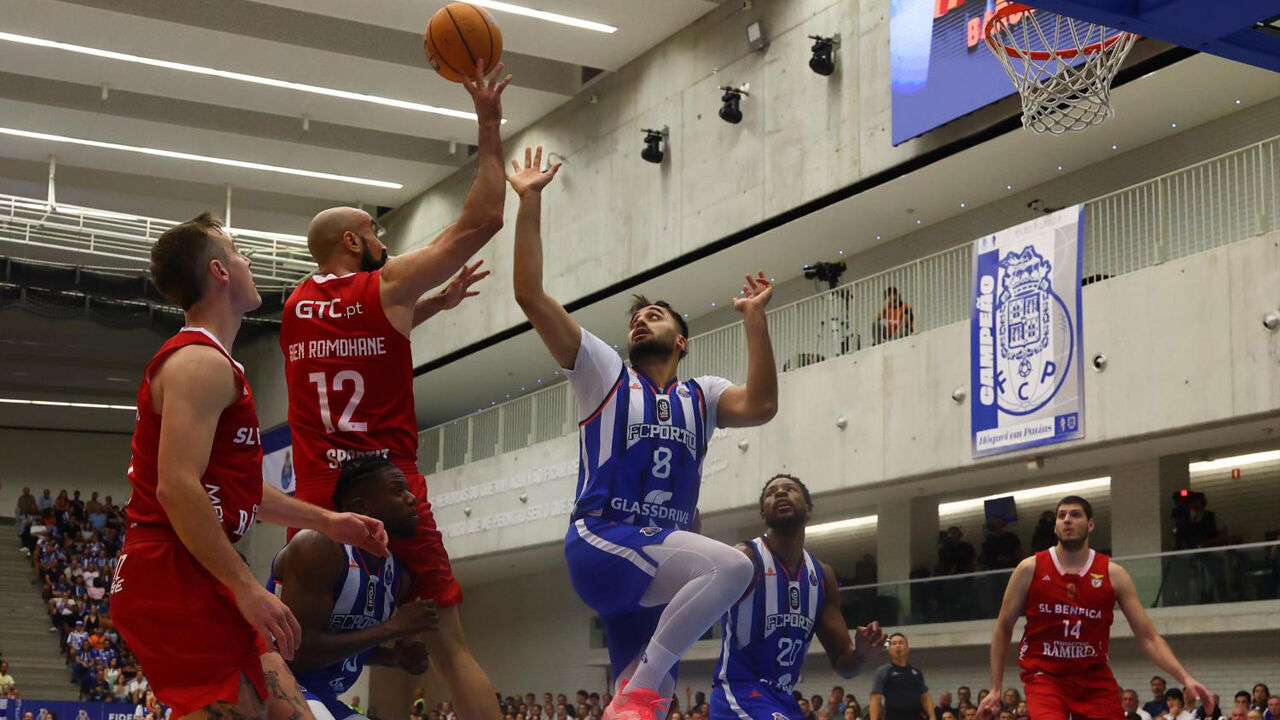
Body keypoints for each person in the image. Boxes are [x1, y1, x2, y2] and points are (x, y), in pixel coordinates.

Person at [508, 147, 778, 720]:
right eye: (636, 316)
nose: (640, 319)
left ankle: (636, 695)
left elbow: (760, 405)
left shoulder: (699, 395)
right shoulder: (603, 372)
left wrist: (755, 321)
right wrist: (529, 202)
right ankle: (641, 684)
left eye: (655, 315)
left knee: (645, 709)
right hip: (605, 543)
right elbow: (530, 295)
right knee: (733, 567)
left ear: (681, 340)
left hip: (658, 567)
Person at [280, 60, 508, 720]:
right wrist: (488, 126)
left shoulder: (294, 307)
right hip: (390, 485)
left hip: (321, 498)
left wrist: (430, 306)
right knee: (447, 643)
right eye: (376, 233)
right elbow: (483, 220)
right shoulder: (382, 287)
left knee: (289, 635)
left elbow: (357, 341)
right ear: (354, 240)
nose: (382, 242)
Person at [110, 212, 390, 720]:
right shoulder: (200, 364)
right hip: (172, 568)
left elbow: (240, 491)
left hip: (193, 565)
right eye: (238, 251)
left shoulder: (216, 363)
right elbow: (176, 488)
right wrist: (245, 586)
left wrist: (327, 520)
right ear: (219, 271)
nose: (248, 260)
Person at [980, 496, 1214, 720]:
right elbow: (1003, 627)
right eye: (1061, 515)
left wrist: (1185, 677)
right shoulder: (1029, 568)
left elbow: (1149, 637)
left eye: (1075, 514)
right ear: (1055, 527)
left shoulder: (1114, 574)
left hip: (1093, 677)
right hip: (1045, 676)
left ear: (1090, 524)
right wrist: (995, 688)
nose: (1067, 519)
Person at [267, 458, 440, 720]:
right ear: (362, 507)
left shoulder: (398, 576)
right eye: (397, 490)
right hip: (272, 686)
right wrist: (394, 627)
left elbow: (348, 645)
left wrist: (393, 658)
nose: (411, 498)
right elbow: (297, 654)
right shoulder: (318, 546)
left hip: (323, 697)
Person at [710, 474, 887, 720]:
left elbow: (844, 665)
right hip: (738, 693)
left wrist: (861, 653)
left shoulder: (823, 576)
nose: (780, 493)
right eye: (772, 492)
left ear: (809, 509)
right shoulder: (745, 557)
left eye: (790, 489)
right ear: (763, 513)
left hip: (783, 699)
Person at [869, 634, 934, 720]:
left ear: (907, 649)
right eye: (894, 643)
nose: (898, 646)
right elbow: (875, 699)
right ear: (889, 650)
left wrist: (933, 717)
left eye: (901, 643)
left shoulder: (917, 672)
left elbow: (925, 697)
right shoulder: (883, 671)